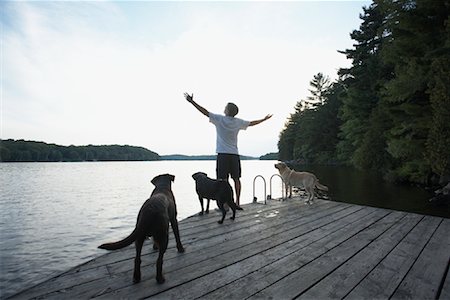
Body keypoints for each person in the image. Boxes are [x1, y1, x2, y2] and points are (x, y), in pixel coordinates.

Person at [184, 92, 272, 207]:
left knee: (222, 180)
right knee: (236, 179)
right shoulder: (238, 122)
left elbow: (204, 112)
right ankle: (237, 202)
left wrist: (192, 102)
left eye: (225, 107)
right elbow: (252, 123)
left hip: (223, 154)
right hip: (234, 155)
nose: (223, 108)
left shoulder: (219, 119)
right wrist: (264, 119)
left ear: (227, 111)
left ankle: (225, 204)